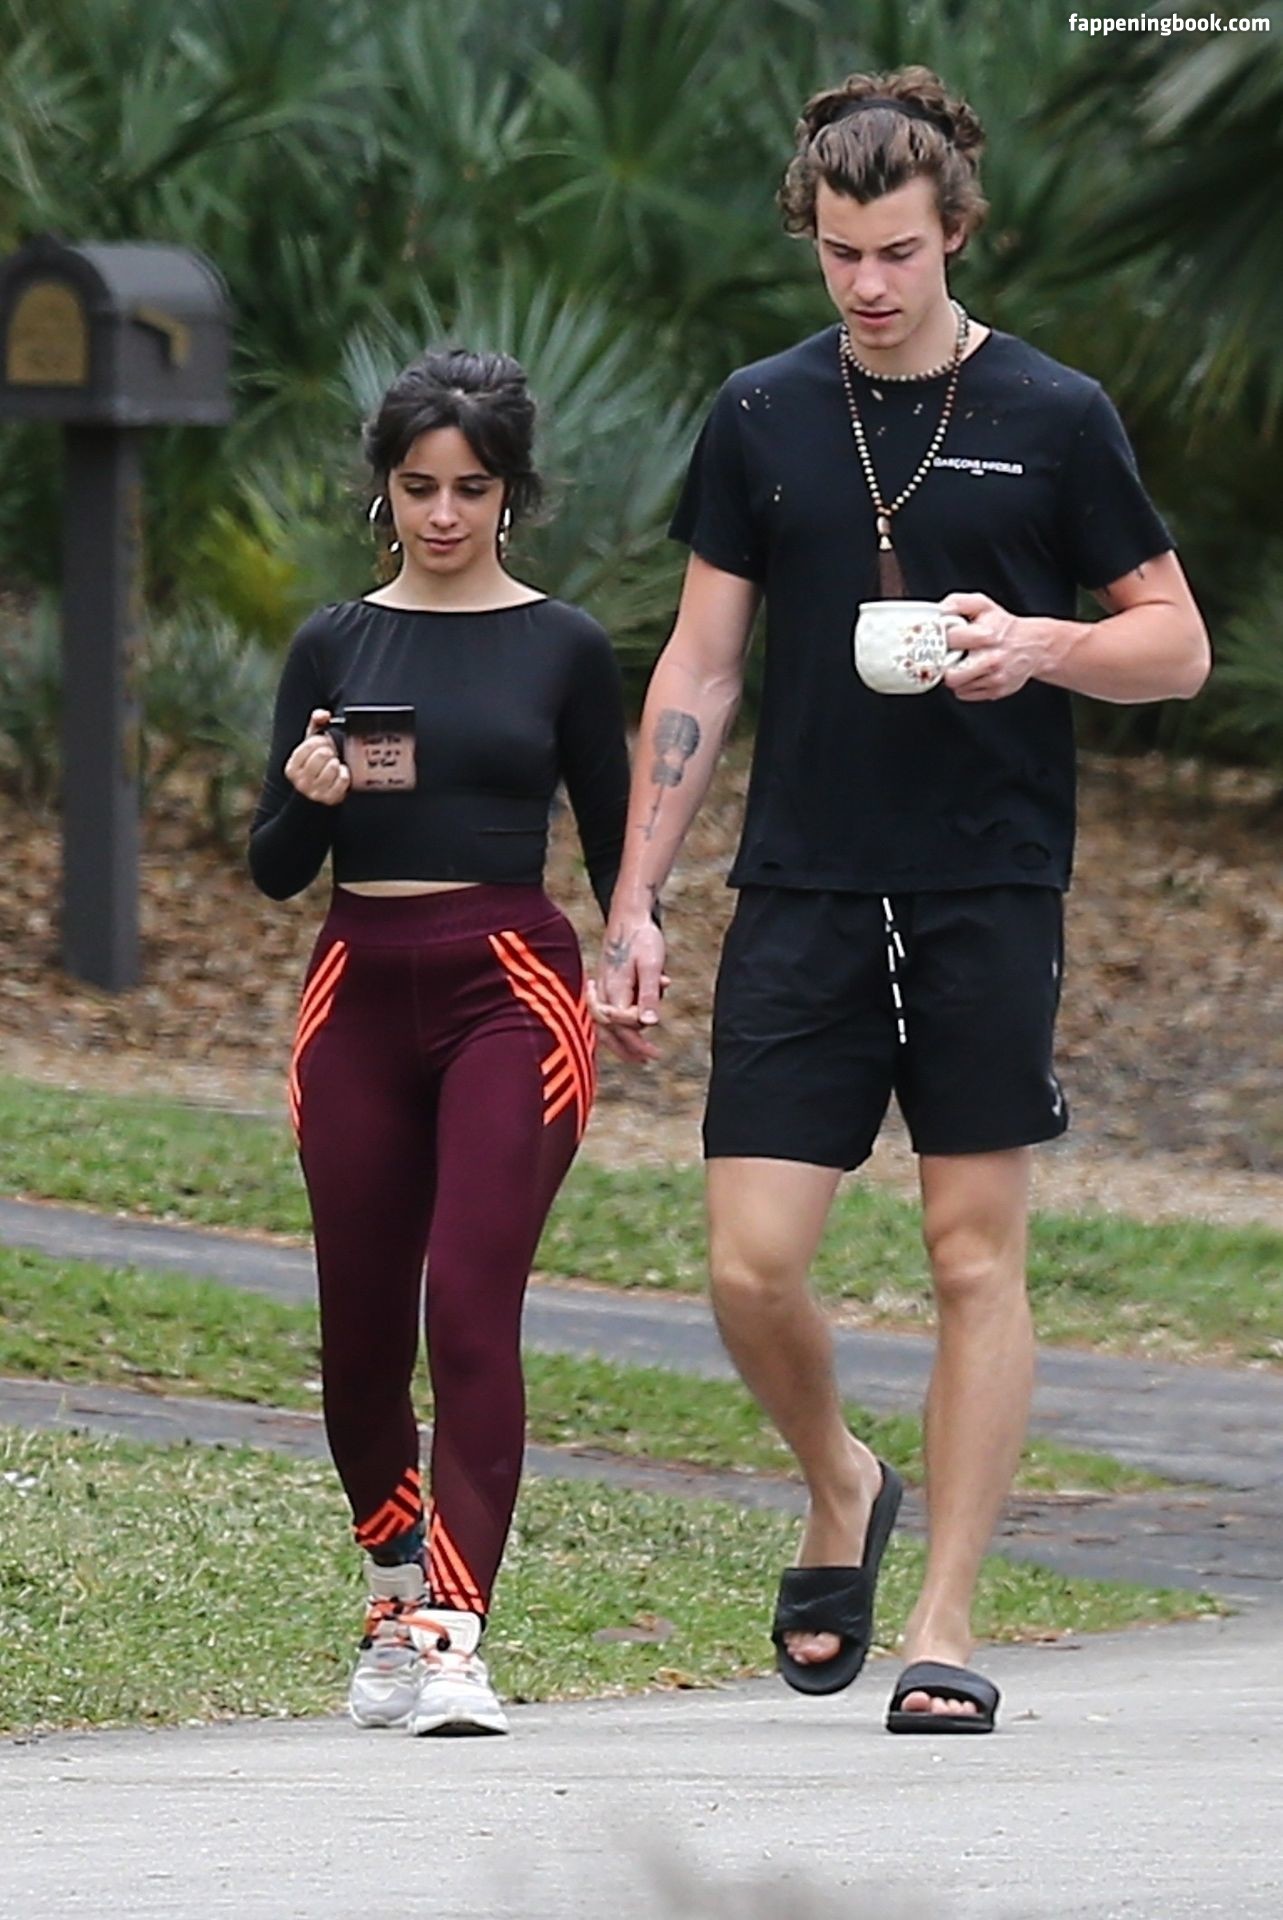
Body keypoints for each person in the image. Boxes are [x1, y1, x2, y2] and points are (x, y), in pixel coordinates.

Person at [593, 67, 1209, 1734]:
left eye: (900, 253)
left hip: (986, 884)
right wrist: (636, 901)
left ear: (958, 234)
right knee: (750, 1266)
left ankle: (944, 1623)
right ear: (811, 236)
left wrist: (1045, 644)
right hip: (802, 882)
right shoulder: (760, 413)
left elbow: (1177, 645)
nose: (869, 285)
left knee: (970, 1255)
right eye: (841, 253)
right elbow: (701, 666)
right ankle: (841, 1479)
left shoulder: (1056, 412)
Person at [249, 347, 629, 1736]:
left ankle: (455, 1637)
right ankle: (392, 1591)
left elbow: (617, 841)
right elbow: (275, 870)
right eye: (420, 487)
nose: (446, 513)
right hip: (356, 988)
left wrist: (636, 951)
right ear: (386, 491)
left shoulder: (564, 646)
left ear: (511, 492)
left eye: (472, 488)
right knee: (359, 1338)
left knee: (468, 1308)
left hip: (509, 991)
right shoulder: (335, 644)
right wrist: (308, 795)